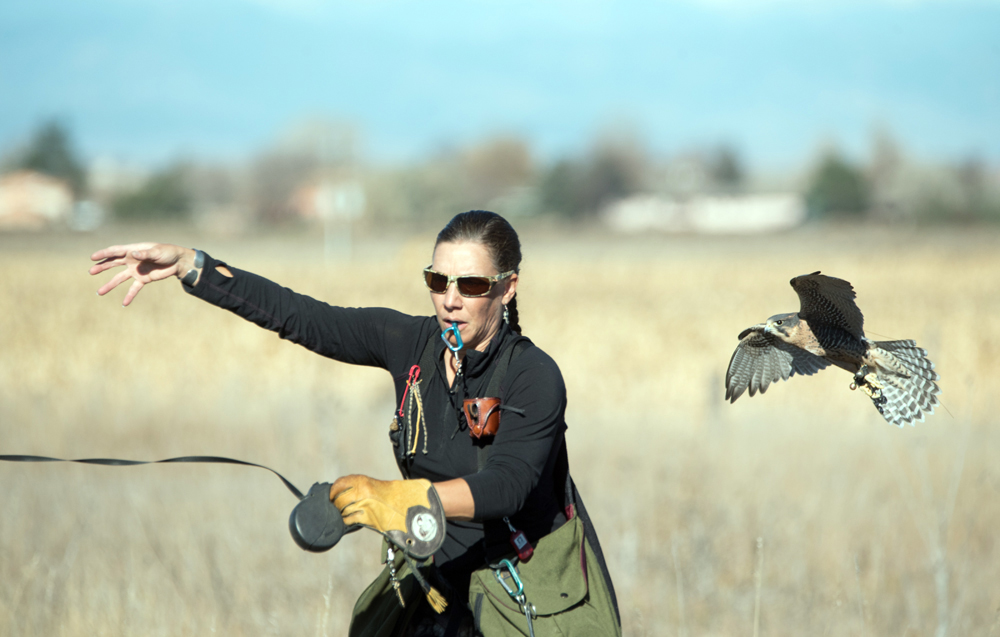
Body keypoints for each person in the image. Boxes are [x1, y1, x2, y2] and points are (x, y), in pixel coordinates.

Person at [90, 210, 621, 636]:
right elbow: (301, 317)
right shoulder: (409, 344)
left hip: (525, 588)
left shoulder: (533, 374)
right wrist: (192, 265)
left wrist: (395, 498)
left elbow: (506, 485)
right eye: (438, 279)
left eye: (472, 284)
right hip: (436, 576)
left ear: (507, 289)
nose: (450, 299)